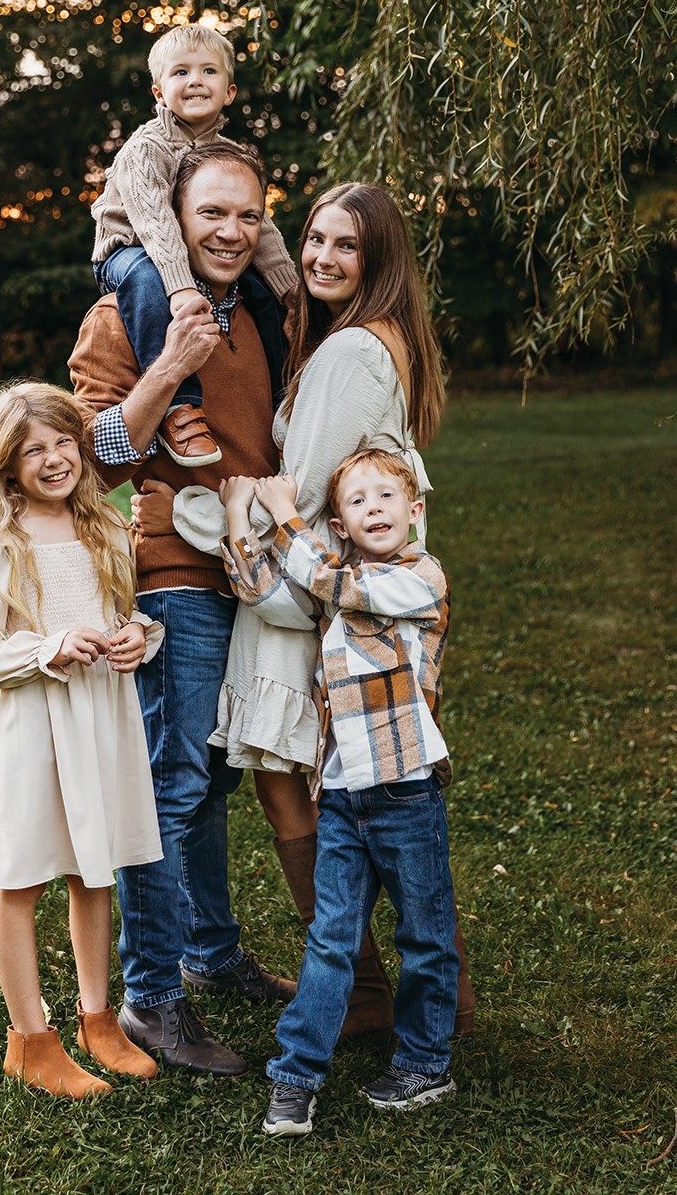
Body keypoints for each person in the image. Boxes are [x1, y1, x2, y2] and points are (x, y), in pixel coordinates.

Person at [143, 181, 475, 1039]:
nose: (323, 258)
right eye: (315, 239)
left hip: (308, 591)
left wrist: (220, 506)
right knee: (335, 785)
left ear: (380, 261)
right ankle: (384, 989)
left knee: (307, 790)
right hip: (333, 591)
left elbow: (303, 492)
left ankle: (384, 991)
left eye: (346, 247)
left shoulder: (349, 355)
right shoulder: (380, 341)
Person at [69, 141, 296, 1077]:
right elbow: (97, 457)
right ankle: (153, 1000)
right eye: (213, 214)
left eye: (248, 215)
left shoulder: (268, 318)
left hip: (257, 568)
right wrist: (172, 366)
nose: (232, 232)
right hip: (171, 571)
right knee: (171, 784)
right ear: (175, 215)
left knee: (214, 778)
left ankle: (211, 950)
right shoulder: (124, 311)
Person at [219, 454, 458, 1136]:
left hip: (406, 789)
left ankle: (424, 1062)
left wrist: (286, 515)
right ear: (343, 524)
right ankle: (296, 1079)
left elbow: (322, 576)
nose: (376, 506)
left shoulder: (418, 578)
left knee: (425, 936)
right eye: (358, 500)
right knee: (330, 940)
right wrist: (241, 515)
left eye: (389, 495)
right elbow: (270, 593)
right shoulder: (335, 584)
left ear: (415, 511)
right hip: (345, 798)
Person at [0, 381, 164, 1098]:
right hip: (40, 724)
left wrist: (137, 636)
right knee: (23, 877)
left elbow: (122, 613)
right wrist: (46, 647)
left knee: (92, 870)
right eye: (32, 450)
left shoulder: (100, 524)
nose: (53, 459)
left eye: (64, 442)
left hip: (102, 715)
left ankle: (98, 1020)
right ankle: (29, 1040)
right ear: (6, 467)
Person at [91, 22, 298, 467]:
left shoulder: (230, 157)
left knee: (265, 295)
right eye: (180, 72)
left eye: (208, 71)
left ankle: (287, 396)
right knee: (147, 277)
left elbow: (263, 230)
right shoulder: (144, 148)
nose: (195, 81)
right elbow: (156, 223)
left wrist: (291, 290)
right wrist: (182, 288)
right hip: (129, 250)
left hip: (259, 516)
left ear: (229, 91)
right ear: (159, 93)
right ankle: (180, 406)